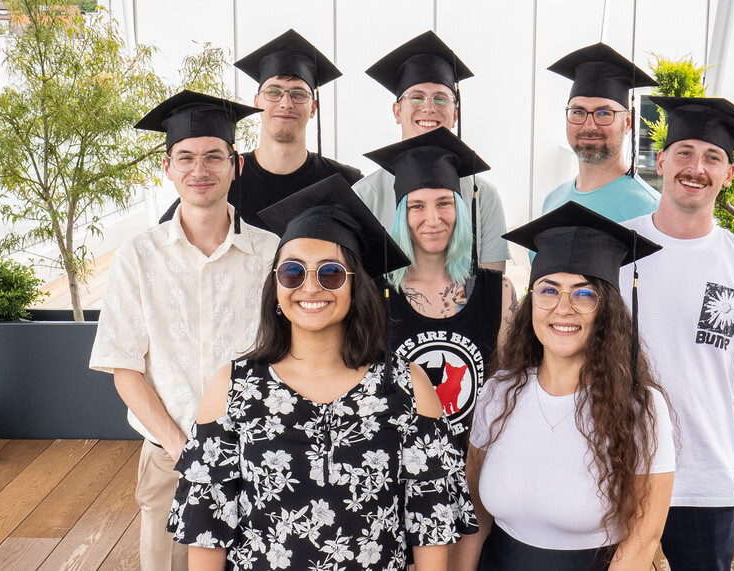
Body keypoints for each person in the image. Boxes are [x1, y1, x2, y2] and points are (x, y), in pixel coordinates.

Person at [167, 175, 477, 571]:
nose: (310, 287)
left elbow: (430, 528)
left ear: (356, 286)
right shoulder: (233, 387)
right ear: (276, 286)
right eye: (292, 272)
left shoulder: (407, 387)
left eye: (330, 273)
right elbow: (206, 531)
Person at [89, 91, 279, 570]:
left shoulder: (273, 254)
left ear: (235, 166)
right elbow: (125, 369)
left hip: (261, 457)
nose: (200, 169)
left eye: (214, 156)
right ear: (167, 168)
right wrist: (183, 449)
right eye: (186, 157)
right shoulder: (137, 256)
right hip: (170, 460)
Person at [620, 97, 734, 570]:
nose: (696, 168)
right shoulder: (611, 249)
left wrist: (704, 435)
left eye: (712, 157)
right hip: (612, 472)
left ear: (728, 174)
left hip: (703, 484)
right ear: (661, 160)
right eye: (684, 152)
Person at [451, 201, 676, 570]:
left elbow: (643, 537)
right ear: (531, 302)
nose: (563, 308)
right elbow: (474, 516)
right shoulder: (500, 393)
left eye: (584, 294)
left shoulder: (639, 408)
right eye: (548, 290)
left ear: (607, 311)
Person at [363, 128, 516, 452]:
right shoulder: (374, 295)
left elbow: (510, 388)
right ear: (401, 215)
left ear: (459, 209)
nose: (432, 219)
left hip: (478, 462)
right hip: (399, 464)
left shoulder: (497, 291)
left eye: (444, 203)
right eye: (417, 206)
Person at [160, 29, 363, 231]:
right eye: (273, 92)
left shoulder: (345, 184)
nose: (286, 103)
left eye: (298, 94)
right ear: (257, 102)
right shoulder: (221, 179)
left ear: (313, 108)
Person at [355, 31, 509, 271]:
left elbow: (492, 282)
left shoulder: (483, 196)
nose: (428, 108)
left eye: (441, 99)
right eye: (416, 98)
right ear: (397, 111)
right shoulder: (365, 196)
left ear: (455, 114)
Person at [542, 43, 660, 222]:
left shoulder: (650, 211)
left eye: (604, 114)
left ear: (628, 122)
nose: (589, 126)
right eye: (578, 112)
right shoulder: (553, 201)